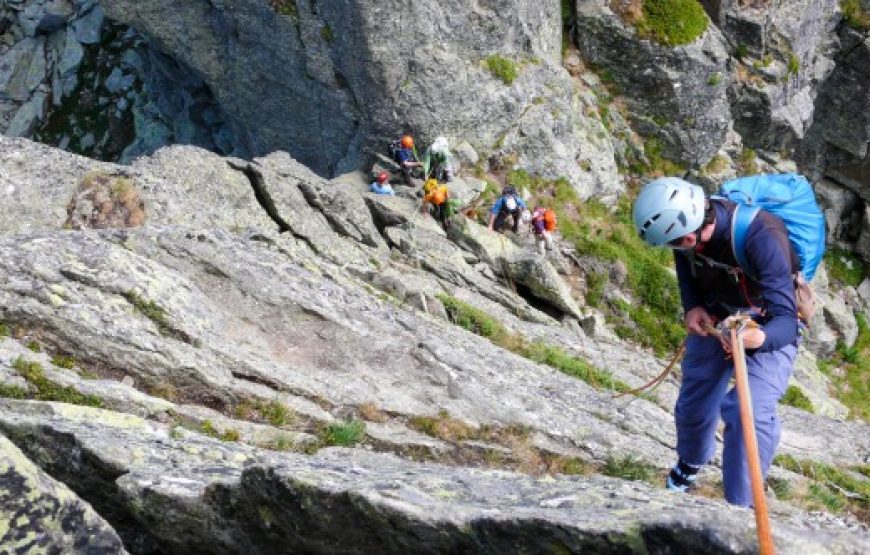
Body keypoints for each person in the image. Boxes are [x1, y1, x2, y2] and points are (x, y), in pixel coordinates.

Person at [632, 176, 800, 507]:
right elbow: (685, 264)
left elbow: (788, 322)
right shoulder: (686, 238)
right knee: (694, 400)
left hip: (769, 324)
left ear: (694, 227)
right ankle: (690, 463)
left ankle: (741, 506)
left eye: (681, 241)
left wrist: (757, 337)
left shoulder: (762, 236)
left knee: (744, 408)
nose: (679, 248)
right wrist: (692, 305)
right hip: (717, 316)